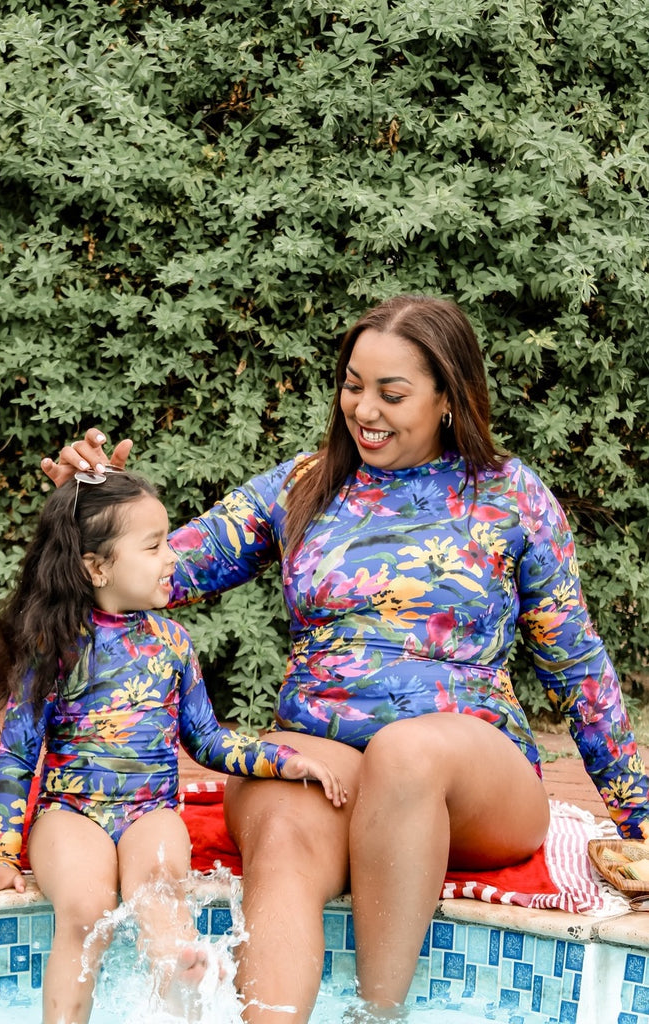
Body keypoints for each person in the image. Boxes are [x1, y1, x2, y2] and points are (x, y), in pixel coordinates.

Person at [42, 294, 649, 1023]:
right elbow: (163, 573)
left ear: (449, 398)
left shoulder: (510, 499)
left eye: (392, 393)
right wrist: (92, 515)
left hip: (471, 777)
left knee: (407, 751)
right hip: (319, 758)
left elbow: (577, 665)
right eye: (354, 384)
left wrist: (640, 814)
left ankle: (375, 1016)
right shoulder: (304, 484)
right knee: (283, 828)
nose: (365, 408)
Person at [0, 467, 346, 1024]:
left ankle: (182, 985)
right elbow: (18, 756)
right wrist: (0, 855)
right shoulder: (55, 646)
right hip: (70, 813)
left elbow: (205, 739)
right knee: (85, 911)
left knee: (163, 902)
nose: (170, 559)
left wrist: (283, 761)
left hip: (149, 814)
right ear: (97, 565)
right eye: (155, 545)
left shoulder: (173, 644)